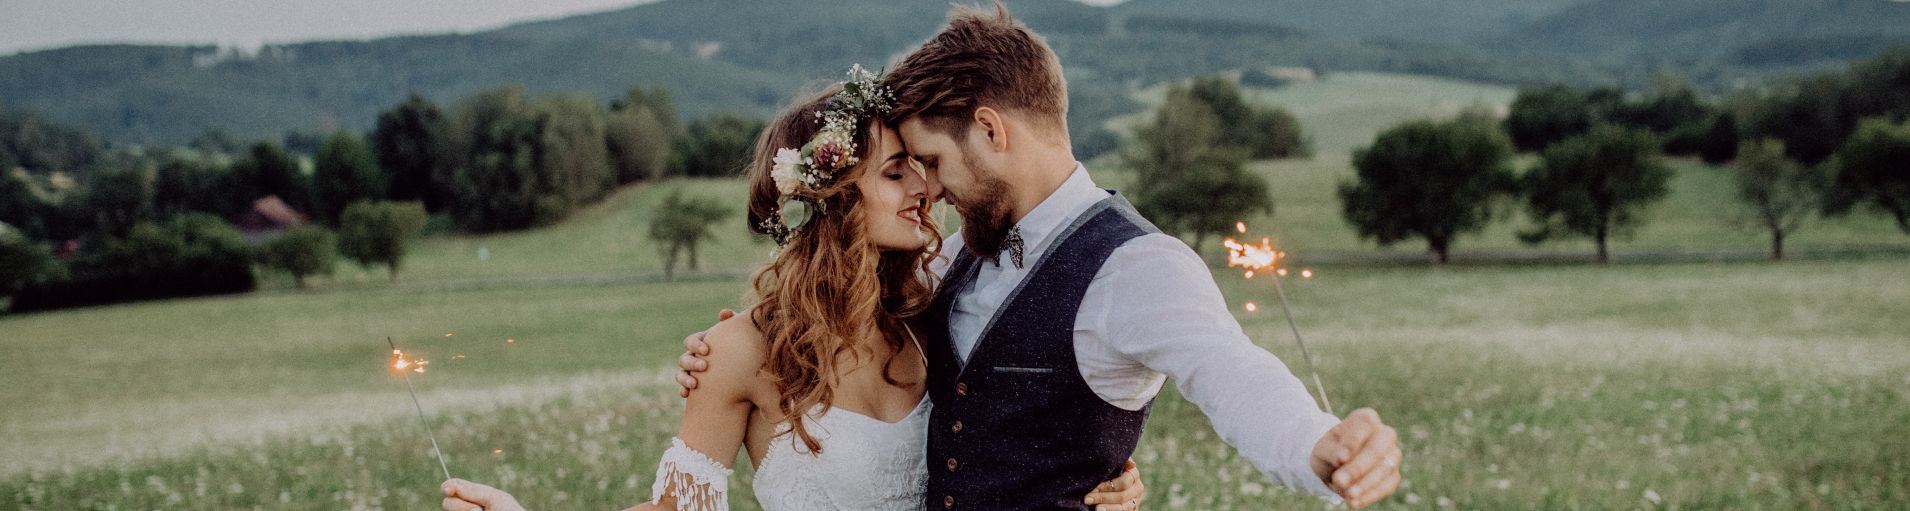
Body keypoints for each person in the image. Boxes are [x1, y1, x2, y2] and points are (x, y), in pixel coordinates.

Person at [676, 3, 1403, 509]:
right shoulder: (954, 255)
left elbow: (1233, 372)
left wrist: (1318, 445)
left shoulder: (1137, 268)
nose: (930, 190)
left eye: (931, 159)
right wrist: (725, 349)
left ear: (990, 131)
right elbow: (835, 308)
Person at [438, 67, 1145, 511]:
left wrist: (1108, 479)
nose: (925, 186)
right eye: (896, 172)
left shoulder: (930, 319)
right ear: (835, 194)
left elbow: (1016, 436)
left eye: (918, 167)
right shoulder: (738, 351)